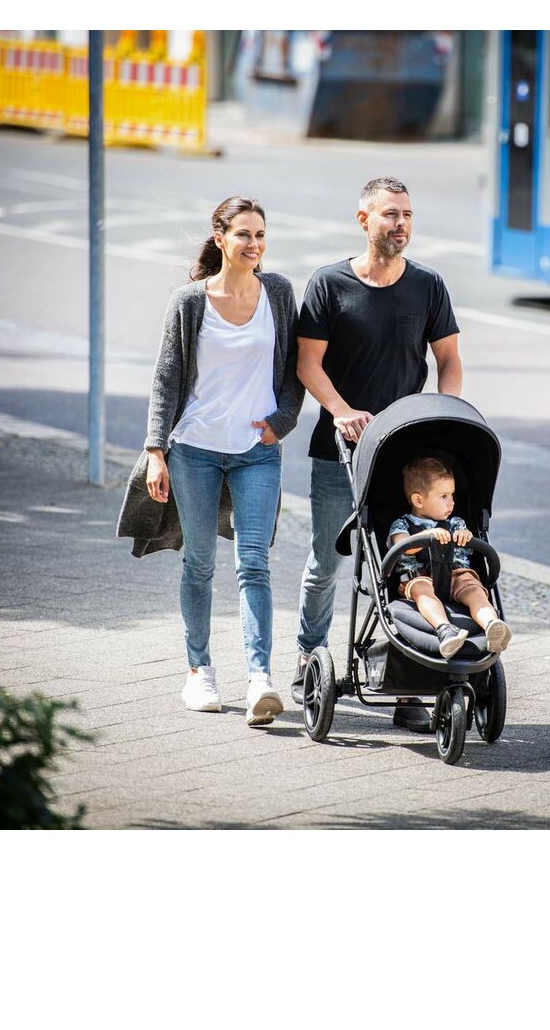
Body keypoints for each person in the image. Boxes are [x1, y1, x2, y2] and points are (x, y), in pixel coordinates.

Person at [117, 196, 305, 726]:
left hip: (257, 454)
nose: (254, 244)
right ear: (220, 238)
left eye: (261, 234)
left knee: (255, 563)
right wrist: (156, 451)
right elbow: (166, 378)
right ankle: (199, 672)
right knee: (199, 562)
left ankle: (260, 679)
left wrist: (281, 422)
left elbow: (294, 369)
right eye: (243, 234)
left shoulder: (279, 294)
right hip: (194, 450)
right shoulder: (189, 301)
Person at [293, 176, 462, 732]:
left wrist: (442, 416)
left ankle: (408, 679)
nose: (401, 225)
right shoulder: (329, 284)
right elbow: (308, 364)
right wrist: (341, 411)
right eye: (390, 214)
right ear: (363, 220)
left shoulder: (429, 286)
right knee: (326, 563)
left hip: (403, 456)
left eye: (408, 215)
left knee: (400, 565)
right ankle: (307, 657)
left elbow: (448, 361)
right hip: (338, 452)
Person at [387, 456, 512, 658]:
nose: (452, 502)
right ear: (418, 500)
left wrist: (466, 536)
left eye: (452, 495)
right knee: (421, 591)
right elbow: (402, 546)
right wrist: (425, 537)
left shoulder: (455, 523)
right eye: (443, 496)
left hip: (456, 573)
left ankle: (491, 625)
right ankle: (445, 629)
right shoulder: (402, 524)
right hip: (419, 576)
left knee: (474, 590)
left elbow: (468, 542)